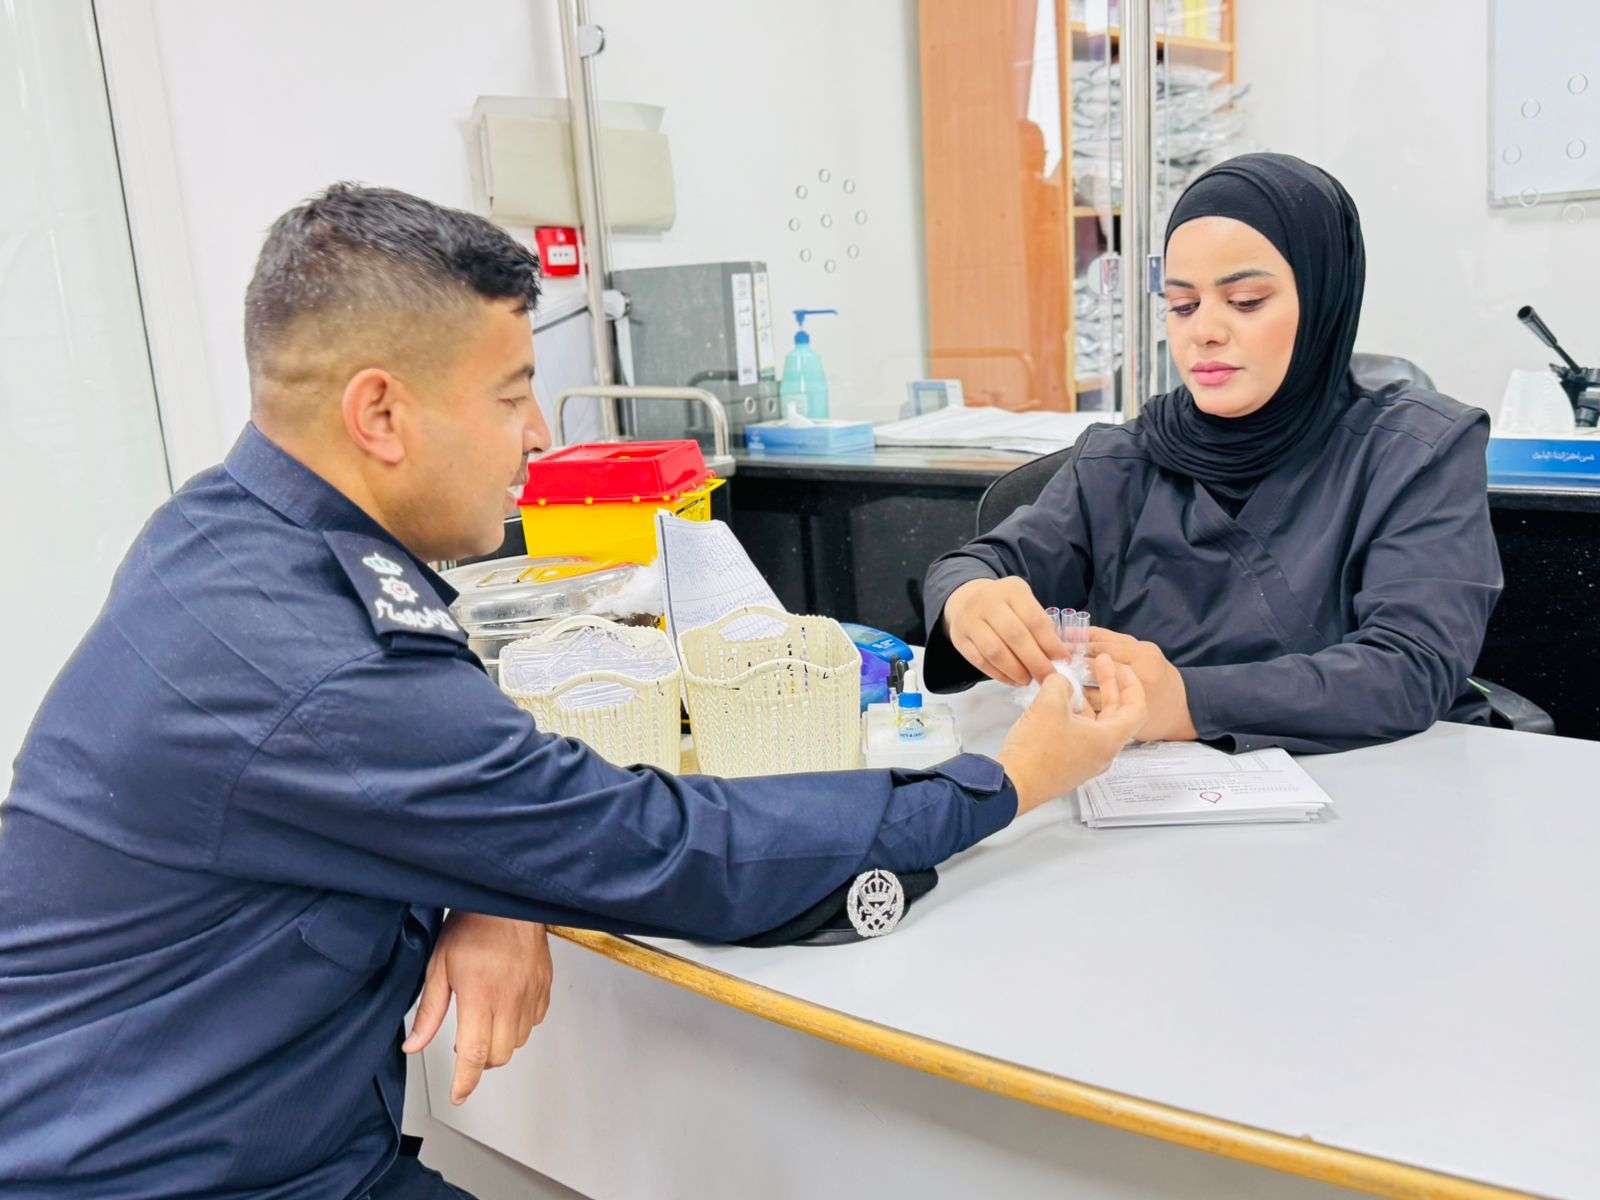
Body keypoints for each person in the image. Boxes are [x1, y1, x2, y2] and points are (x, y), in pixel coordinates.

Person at [0, 184, 1147, 1200]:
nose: (539, 437)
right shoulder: (321, 664)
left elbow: (434, 779)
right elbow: (668, 849)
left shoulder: (228, 538)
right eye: (511, 397)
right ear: (380, 414)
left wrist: (494, 884)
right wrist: (1005, 779)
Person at [924, 152, 1503, 754]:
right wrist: (970, 601)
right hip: (1154, 789)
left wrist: (1187, 701)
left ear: (1323, 301)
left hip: (1381, 780)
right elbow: (979, 564)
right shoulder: (1123, 462)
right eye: (1182, 305)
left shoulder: (1415, 453)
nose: (1203, 330)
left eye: (1246, 301)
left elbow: (1411, 668)